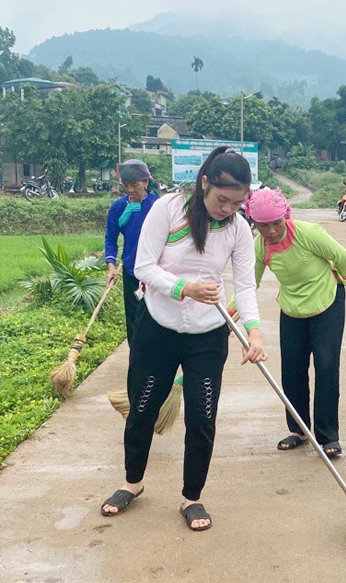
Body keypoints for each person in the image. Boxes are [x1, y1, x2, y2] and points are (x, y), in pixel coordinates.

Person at [100, 147, 267, 531]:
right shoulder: (169, 209)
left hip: (207, 335)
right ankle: (132, 482)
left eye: (237, 203)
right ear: (204, 183)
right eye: (222, 199)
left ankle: (192, 497)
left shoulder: (239, 229)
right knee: (143, 408)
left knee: (202, 417)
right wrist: (184, 288)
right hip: (158, 326)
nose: (228, 209)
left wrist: (254, 333)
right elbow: (143, 266)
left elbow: (244, 285)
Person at [244, 188, 346, 458]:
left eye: (276, 223)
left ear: (286, 216)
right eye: (263, 225)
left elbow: (343, 257)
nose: (270, 231)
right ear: (254, 223)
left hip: (327, 302)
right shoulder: (259, 246)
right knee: (292, 370)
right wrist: (230, 311)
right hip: (292, 308)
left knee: (326, 367)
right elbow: (249, 284)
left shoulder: (308, 233)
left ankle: (328, 436)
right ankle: (299, 430)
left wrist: (341, 279)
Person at [104, 159, 161, 342]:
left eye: (134, 185)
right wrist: (111, 267)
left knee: (156, 317)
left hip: (158, 271)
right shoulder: (118, 208)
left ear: (146, 182)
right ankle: (136, 353)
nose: (129, 190)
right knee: (134, 318)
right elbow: (110, 239)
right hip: (132, 270)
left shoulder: (158, 205)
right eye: (125, 185)